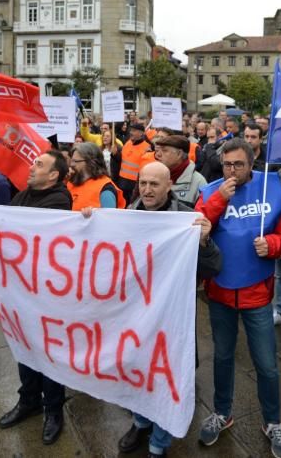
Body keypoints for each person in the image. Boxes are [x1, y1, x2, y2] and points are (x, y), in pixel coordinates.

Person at [195, 139, 281, 457]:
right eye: (227, 164)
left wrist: (275, 245)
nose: (232, 171)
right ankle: (222, 413)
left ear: (252, 163)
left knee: (266, 364)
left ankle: (272, 421)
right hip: (221, 292)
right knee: (222, 358)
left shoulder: (272, 188)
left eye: (239, 164)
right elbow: (198, 228)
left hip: (258, 294)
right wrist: (218, 200)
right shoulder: (211, 190)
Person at [116, 161, 221, 457]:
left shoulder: (187, 219)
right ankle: (140, 422)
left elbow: (214, 267)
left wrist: (204, 241)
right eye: (143, 183)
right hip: (135, 315)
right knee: (137, 370)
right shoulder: (125, 216)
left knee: (165, 377)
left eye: (154, 184)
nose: (147, 190)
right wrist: (91, 221)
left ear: (169, 186)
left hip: (171, 317)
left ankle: (158, 443)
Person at [0, 151, 73, 445]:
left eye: (39, 164)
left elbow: (18, 226)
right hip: (23, 291)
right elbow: (4, 222)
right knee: (24, 345)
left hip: (49, 295)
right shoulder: (24, 195)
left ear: (54, 176)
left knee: (48, 351)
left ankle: (53, 408)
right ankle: (28, 400)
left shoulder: (59, 200)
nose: (31, 167)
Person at [67, 142, 126, 210]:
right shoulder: (71, 182)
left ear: (90, 163)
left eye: (75, 161)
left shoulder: (105, 189)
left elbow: (109, 218)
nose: (71, 164)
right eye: (72, 160)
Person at [154, 135, 206, 208]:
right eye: (158, 151)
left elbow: (202, 215)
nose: (157, 155)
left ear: (179, 154)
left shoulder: (199, 183)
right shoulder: (153, 176)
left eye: (164, 150)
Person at [118, 123, 151, 200]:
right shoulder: (128, 143)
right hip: (122, 182)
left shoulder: (147, 148)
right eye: (131, 130)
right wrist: (115, 154)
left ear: (141, 133)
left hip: (134, 185)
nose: (131, 132)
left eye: (134, 131)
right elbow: (122, 159)